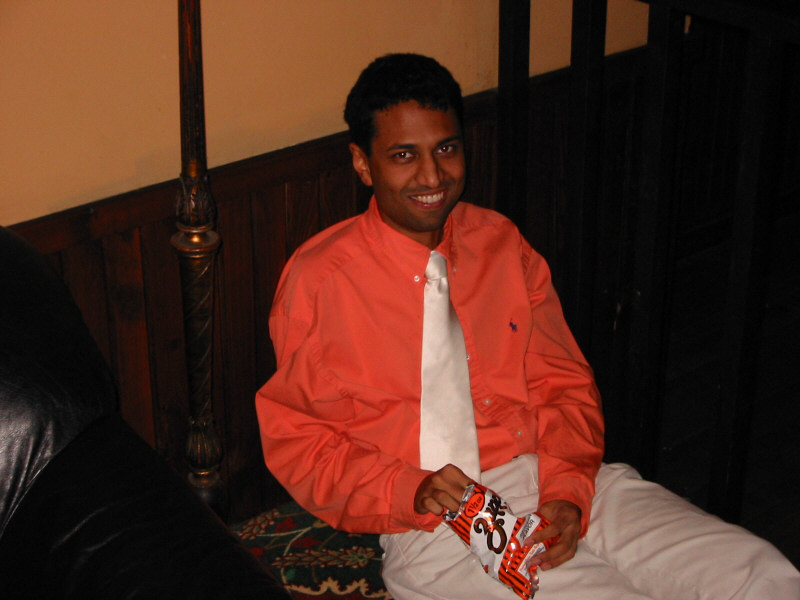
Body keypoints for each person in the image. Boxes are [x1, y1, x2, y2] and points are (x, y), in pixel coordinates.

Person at [256, 53, 800, 599]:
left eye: (446, 148)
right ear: (362, 163)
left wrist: (566, 490)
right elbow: (299, 441)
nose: (432, 176)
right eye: (404, 155)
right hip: (433, 523)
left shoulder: (499, 242)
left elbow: (562, 381)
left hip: (550, 472)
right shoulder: (319, 281)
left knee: (758, 573)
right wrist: (408, 490)